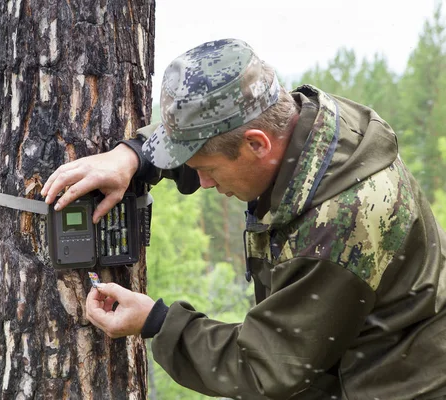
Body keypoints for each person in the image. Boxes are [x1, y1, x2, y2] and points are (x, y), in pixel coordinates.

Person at [41, 39, 446, 399]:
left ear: (257, 144)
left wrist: (158, 323)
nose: (200, 182)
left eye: (208, 170)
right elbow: (218, 127)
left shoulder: (337, 226)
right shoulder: (308, 125)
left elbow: (267, 367)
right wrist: (133, 156)